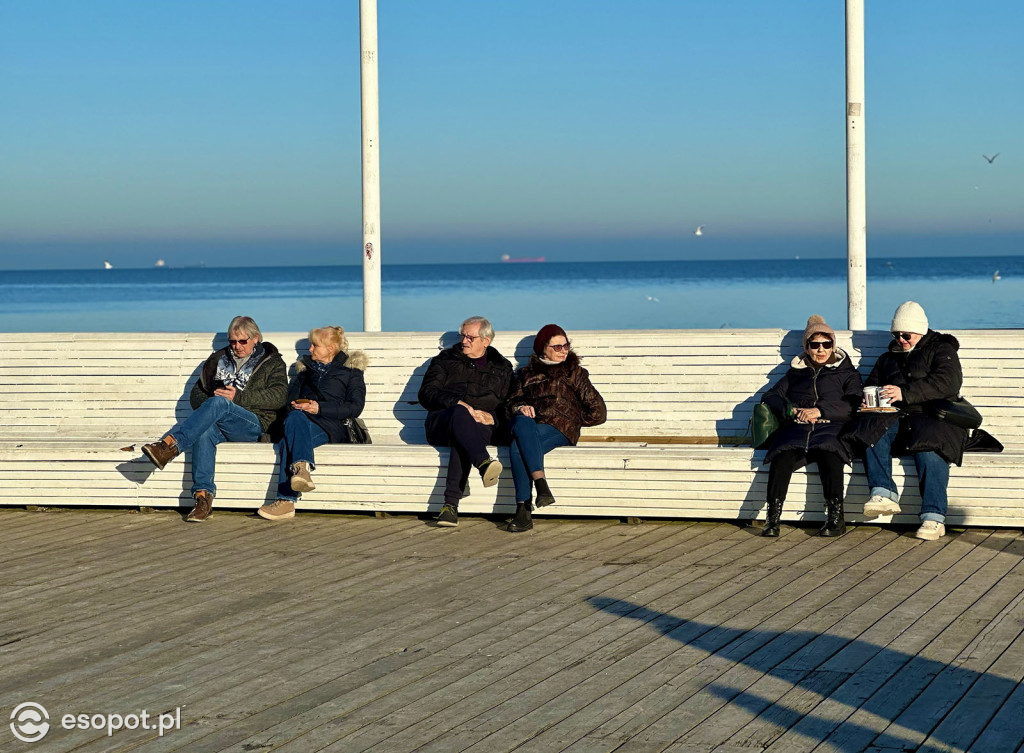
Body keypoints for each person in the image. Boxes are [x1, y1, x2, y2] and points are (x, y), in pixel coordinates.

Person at [842, 301, 967, 541]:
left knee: (930, 450)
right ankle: (883, 492)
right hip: (898, 418)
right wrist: (870, 399)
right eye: (896, 335)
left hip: (936, 416)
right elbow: (872, 382)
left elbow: (948, 383)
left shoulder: (942, 350)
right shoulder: (887, 358)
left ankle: (934, 517)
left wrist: (904, 393)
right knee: (872, 430)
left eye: (906, 335)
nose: (901, 339)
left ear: (920, 331)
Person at [142, 316, 287, 521]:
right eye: (232, 342)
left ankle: (171, 446)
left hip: (255, 424)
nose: (236, 346)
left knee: (219, 404)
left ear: (256, 338)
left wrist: (238, 397)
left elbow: (279, 397)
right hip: (220, 423)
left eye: (242, 341)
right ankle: (202, 499)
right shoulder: (218, 360)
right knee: (204, 429)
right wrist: (215, 401)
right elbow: (196, 396)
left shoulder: (271, 362)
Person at [760, 315, 863, 538]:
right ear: (807, 348)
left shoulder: (847, 373)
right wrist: (790, 410)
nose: (821, 350)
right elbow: (771, 396)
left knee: (831, 456)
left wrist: (821, 411)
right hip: (797, 430)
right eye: (815, 345)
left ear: (833, 346)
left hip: (830, 430)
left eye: (826, 345)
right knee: (782, 456)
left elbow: (854, 404)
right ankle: (772, 518)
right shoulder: (796, 373)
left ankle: (836, 519)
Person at [258, 326, 368, 521]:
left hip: (333, 426)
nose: (309, 349)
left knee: (287, 441)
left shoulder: (351, 372)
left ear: (331, 347)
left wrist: (320, 408)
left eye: (315, 345)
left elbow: (355, 408)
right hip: (301, 421)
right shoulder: (305, 371)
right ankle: (301, 471)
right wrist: (298, 405)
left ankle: (286, 501)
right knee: (293, 421)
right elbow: (288, 402)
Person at [504, 324, 607, 532]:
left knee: (517, 446)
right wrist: (521, 406)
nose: (563, 351)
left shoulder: (574, 373)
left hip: (559, 429)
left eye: (565, 346)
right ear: (543, 349)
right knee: (521, 426)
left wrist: (570, 419)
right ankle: (540, 485)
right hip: (531, 426)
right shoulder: (525, 374)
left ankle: (523, 510)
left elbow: (599, 412)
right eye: (557, 347)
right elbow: (511, 403)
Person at [418, 316, 514, 527]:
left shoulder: (502, 367)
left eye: (470, 337)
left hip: (481, 426)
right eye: (463, 336)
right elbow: (426, 393)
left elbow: (509, 405)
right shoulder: (445, 360)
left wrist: (493, 418)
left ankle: (450, 506)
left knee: (465, 437)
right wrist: (457, 403)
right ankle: (483, 463)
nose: (464, 341)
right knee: (460, 415)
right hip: (442, 422)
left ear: (486, 341)